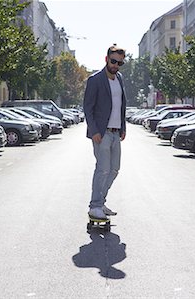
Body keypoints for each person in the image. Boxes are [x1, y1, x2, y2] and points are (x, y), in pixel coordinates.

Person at [83, 44, 127, 220]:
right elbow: (88, 107)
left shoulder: (120, 79)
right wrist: (94, 131)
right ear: (106, 59)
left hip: (116, 132)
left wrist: (123, 127)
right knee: (102, 169)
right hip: (101, 133)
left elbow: (122, 105)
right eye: (114, 61)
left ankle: (101, 202)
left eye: (120, 63)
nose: (116, 65)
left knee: (114, 169)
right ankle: (95, 206)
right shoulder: (95, 80)